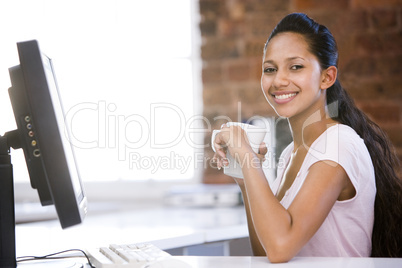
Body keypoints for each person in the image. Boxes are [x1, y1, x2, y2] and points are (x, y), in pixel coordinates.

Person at [212, 13, 402, 262]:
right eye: (270, 69)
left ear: (327, 77)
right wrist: (245, 176)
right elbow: (267, 251)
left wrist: (248, 155)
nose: (279, 80)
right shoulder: (292, 152)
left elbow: (281, 247)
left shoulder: (338, 145)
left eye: (296, 66)